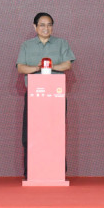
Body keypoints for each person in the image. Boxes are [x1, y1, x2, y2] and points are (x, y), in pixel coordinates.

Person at [17, 12, 75, 177]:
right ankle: (32, 171)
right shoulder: (26, 45)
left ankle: (56, 170)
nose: (46, 28)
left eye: (49, 25)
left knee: (55, 133)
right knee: (31, 134)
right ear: (34, 27)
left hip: (55, 96)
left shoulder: (61, 43)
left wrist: (50, 66)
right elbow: (21, 67)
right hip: (34, 95)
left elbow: (67, 65)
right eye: (42, 25)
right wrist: (38, 68)